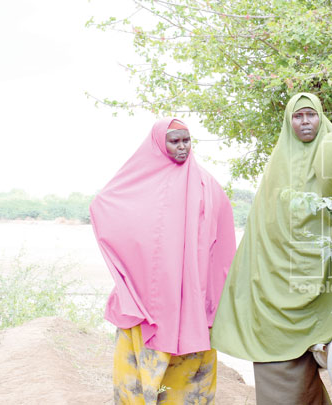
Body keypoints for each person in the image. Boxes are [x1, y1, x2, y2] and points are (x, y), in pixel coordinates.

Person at [211, 93, 332, 404]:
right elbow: (263, 229)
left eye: (310, 115)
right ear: (289, 122)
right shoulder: (276, 169)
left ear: (321, 117)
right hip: (278, 284)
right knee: (281, 371)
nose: (304, 122)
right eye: (297, 116)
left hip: (326, 281)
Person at [90, 118, 236, 404]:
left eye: (186, 140)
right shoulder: (140, 181)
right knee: (139, 376)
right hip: (151, 296)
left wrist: (213, 296)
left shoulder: (207, 184)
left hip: (192, 296)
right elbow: (105, 205)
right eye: (175, 141)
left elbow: (222, 242)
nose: (182, 147)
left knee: (190, 380)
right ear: (159, 143)